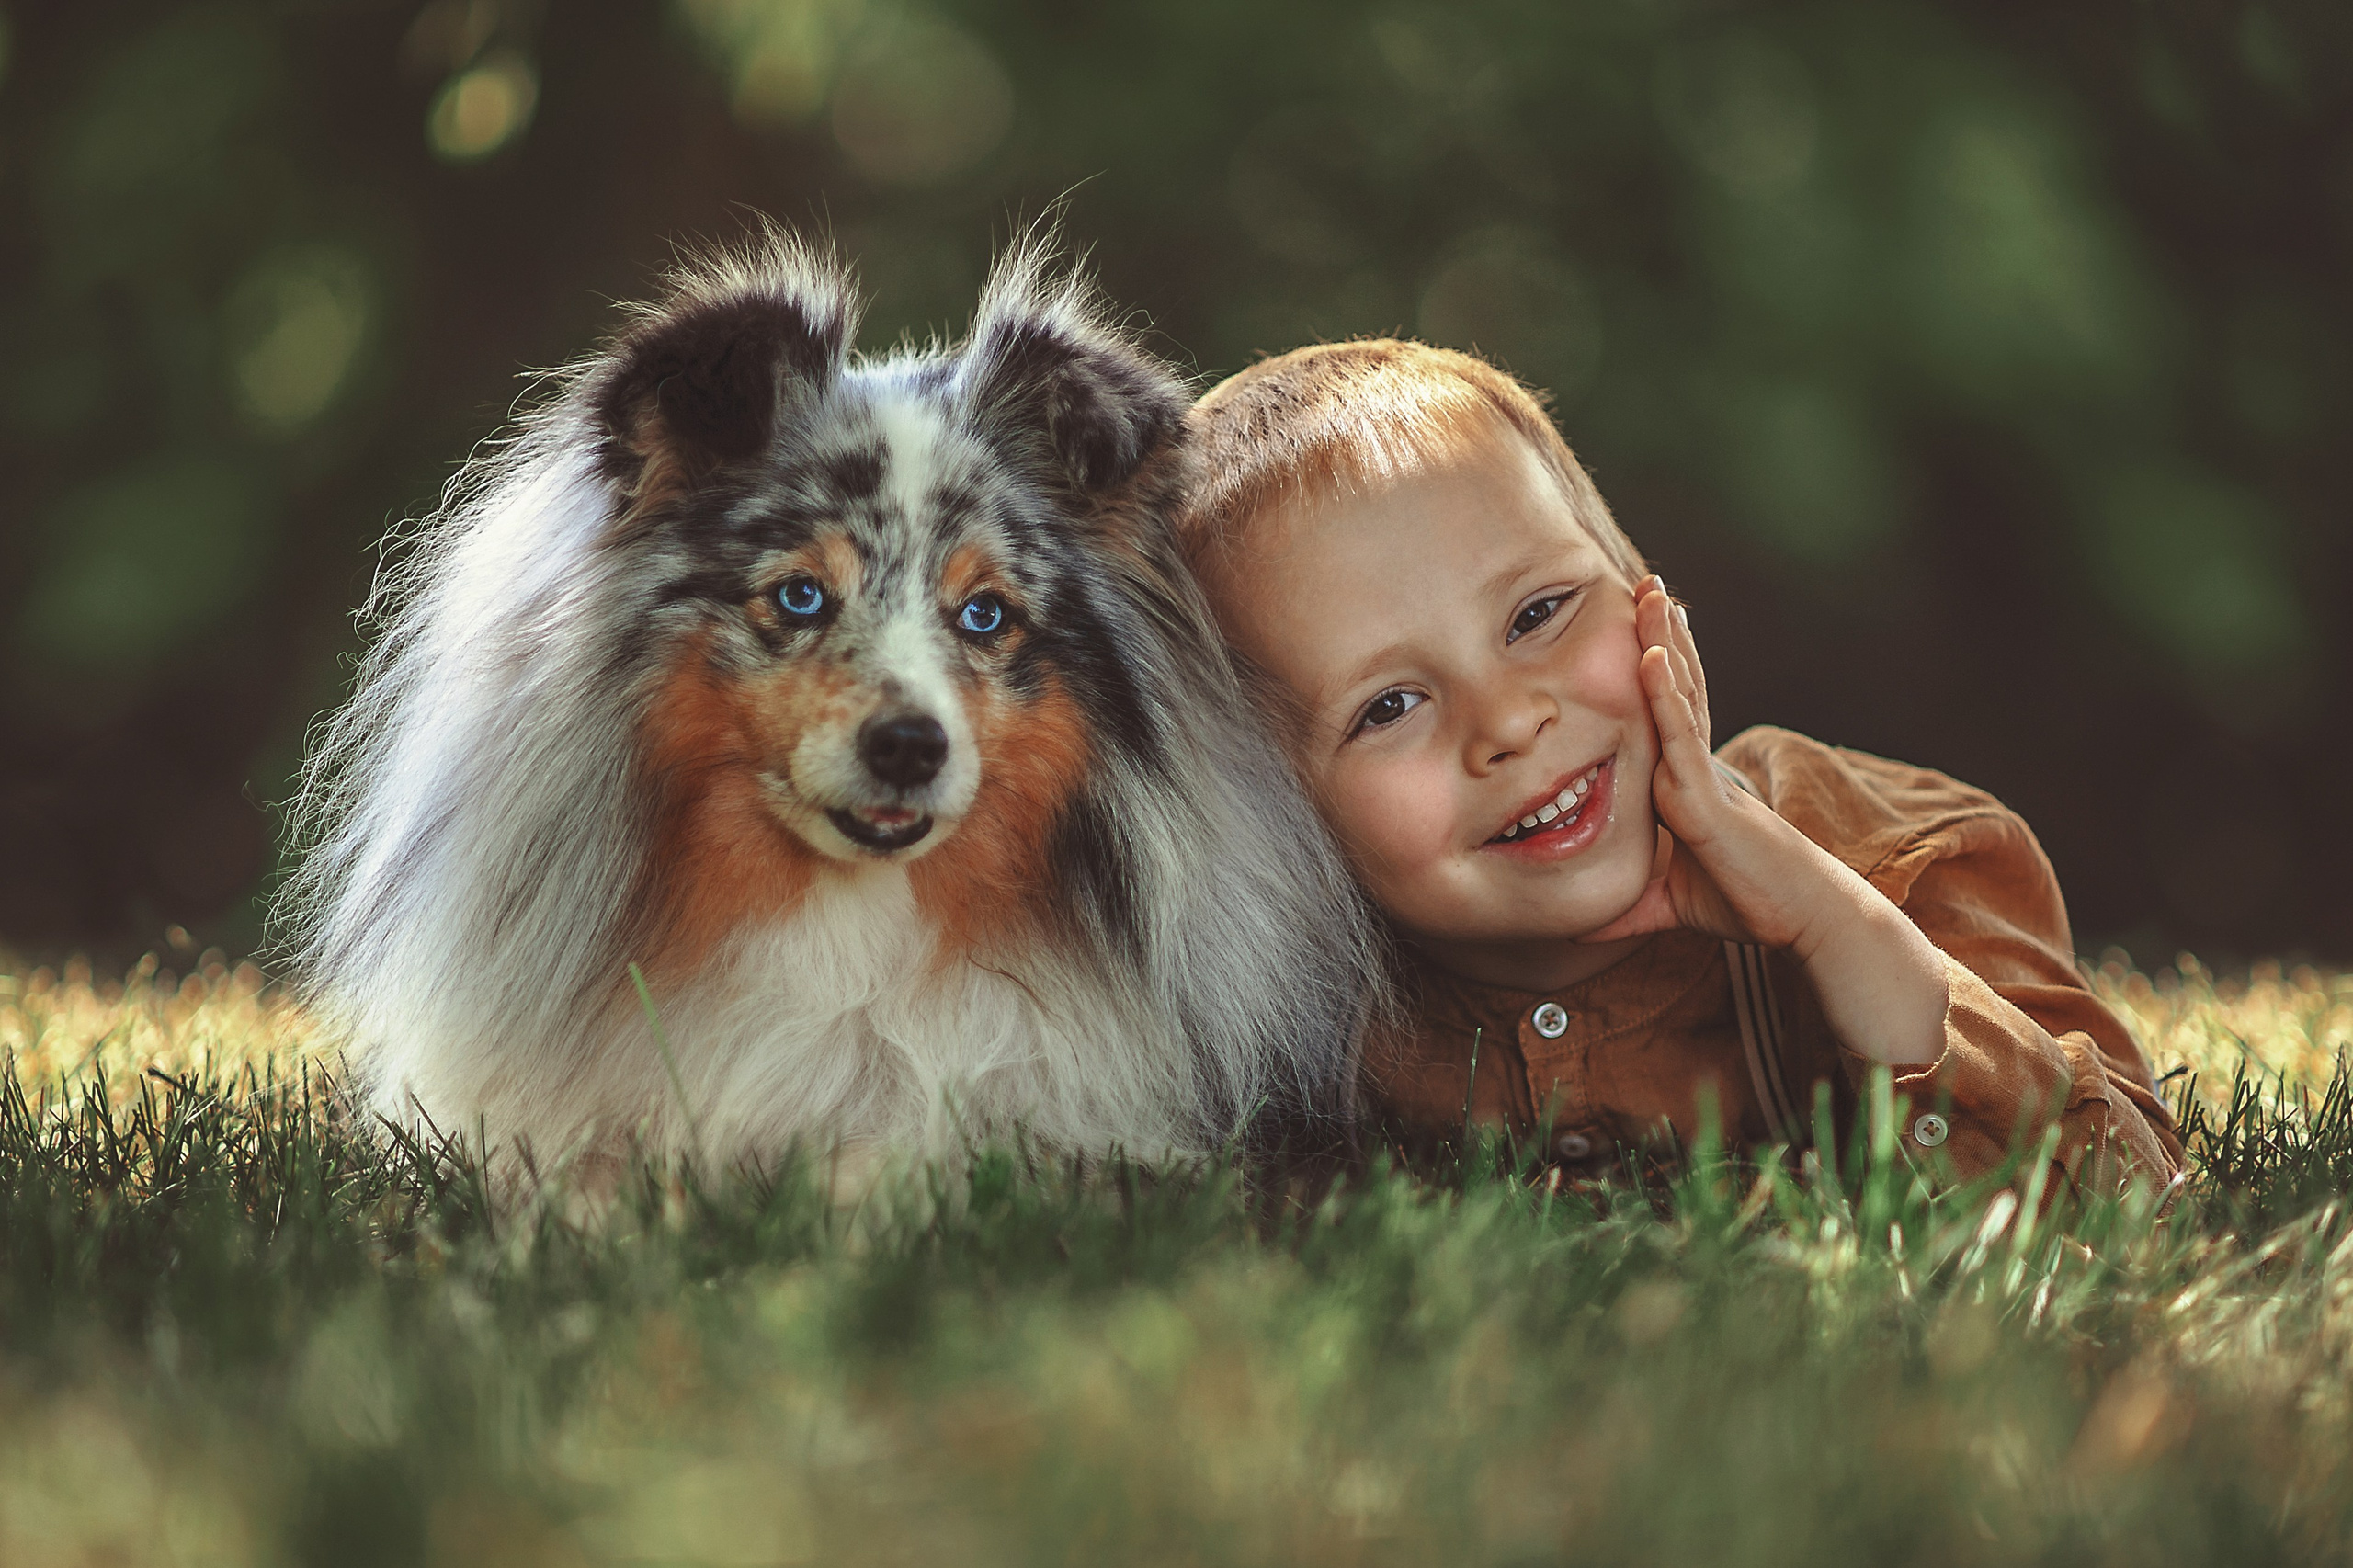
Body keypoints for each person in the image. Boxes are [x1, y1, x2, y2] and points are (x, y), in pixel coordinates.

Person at [1176, 339, 2183, 1193]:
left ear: (1646, 594)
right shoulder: (1297, 1020)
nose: (1511, 720)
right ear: (1282, 819)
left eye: (1537, 613)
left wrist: (1831, 924)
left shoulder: (1897, 854)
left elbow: (2128, 1195)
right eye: (1388, 706)